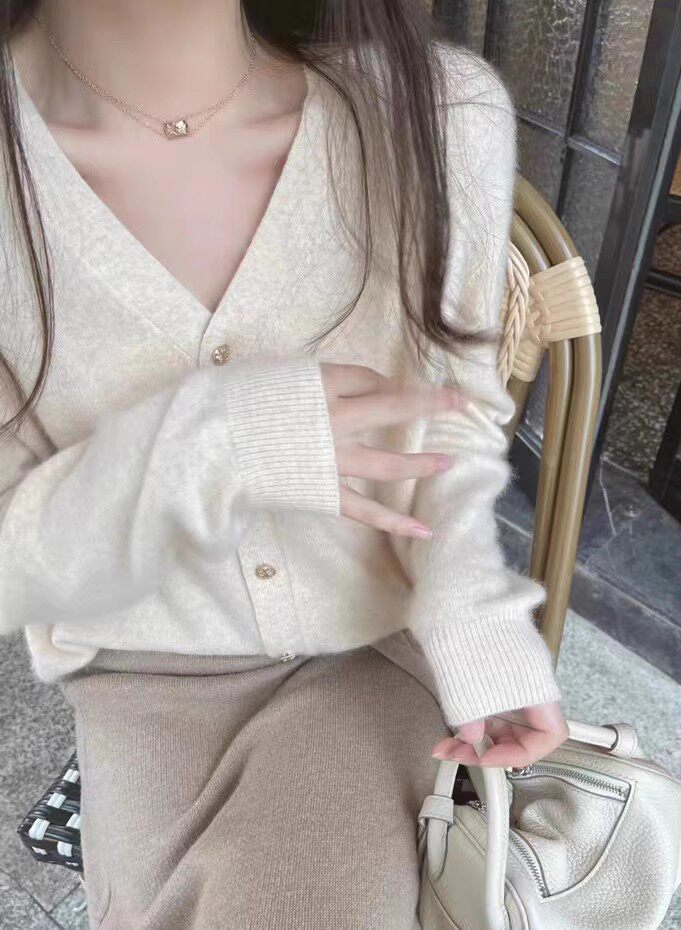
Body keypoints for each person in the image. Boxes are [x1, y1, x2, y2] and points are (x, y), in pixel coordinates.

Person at [0, 1, 567, 927]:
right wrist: (217, 443)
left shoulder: (439, 112)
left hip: (370, 646)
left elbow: (451, 422)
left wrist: (473, 620)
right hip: (142, 671)